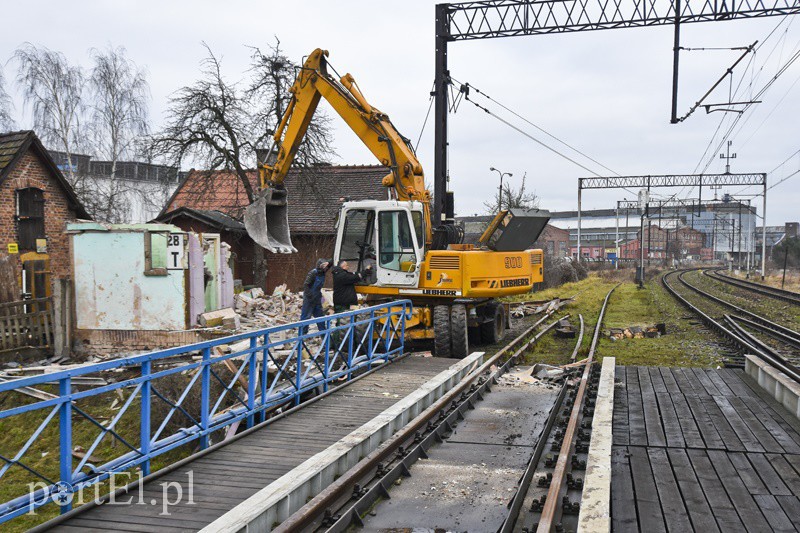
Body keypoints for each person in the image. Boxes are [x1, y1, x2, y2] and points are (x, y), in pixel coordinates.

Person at [300, 258, 330, 334]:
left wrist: (328, 262)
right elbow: (306, 285)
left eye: (325, 266)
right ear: (319, 265)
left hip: (317, 298)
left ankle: (325, 339)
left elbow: (331, 263)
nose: (325, 267)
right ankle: (301, 339)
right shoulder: (313, 273)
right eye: (323, 265)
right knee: (305, 319)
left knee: (320, 319)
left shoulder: (323, 272)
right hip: (309, 299)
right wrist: (310, 296)